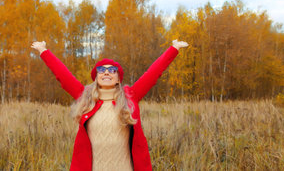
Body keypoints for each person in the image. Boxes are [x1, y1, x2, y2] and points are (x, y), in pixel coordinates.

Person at [31, 40, 188, 171]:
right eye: (102, 70)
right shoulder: (85, 98)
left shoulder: (130, 97)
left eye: (112, 70)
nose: (106, 72)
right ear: (96, 77)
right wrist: (44, 51)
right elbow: (63, 75)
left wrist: (173, 49)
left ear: (118, 78)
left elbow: (153, 73)